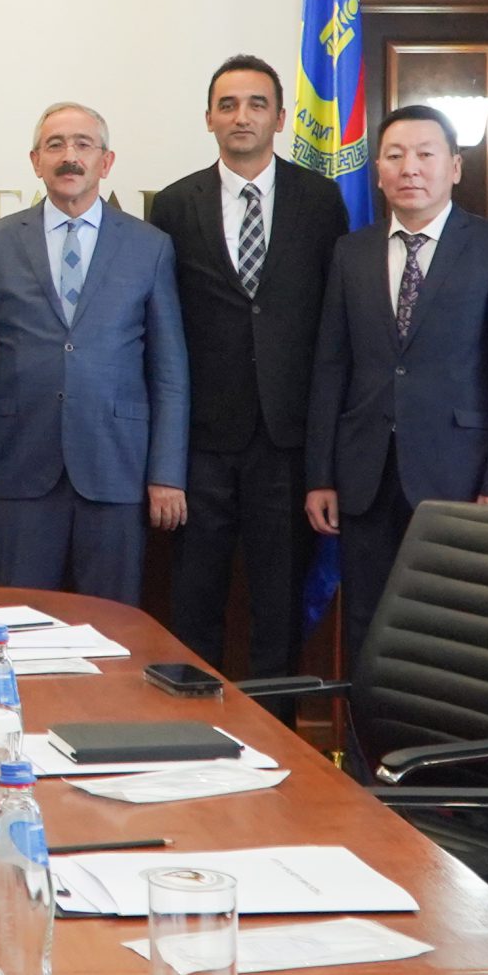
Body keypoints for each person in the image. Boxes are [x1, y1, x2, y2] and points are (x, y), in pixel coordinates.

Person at [306, 104, 488, 669]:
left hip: (460, 478)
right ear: (378, 171)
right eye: (394, 156)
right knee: (367, 630)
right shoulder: (351, 252)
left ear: (454, 167)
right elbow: (331, 367)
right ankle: (367, 734)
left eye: (425, 154)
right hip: (365, 477)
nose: (409, 167)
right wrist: (321, 475)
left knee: (450, 634)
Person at [149, 55, 350, 687]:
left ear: (280, 118)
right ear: (209, 118)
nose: (242, 116)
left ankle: (276, 733)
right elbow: (162, 327)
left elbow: (335, 326)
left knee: (278, 612)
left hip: (287, 445)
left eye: (257, 104)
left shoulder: (321, 201)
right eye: (228, 104)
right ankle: (187, 732)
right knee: (194, 606)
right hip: (202, 445)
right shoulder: (174, 205)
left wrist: (324, 458)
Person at [0, 102, 190, 603]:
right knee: (17, 622)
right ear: (35, 161)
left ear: (106, 162)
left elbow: (169, 372)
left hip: (117, 469)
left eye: (84, 144)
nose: (70, 156)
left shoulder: (149, 246)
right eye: (55, 145)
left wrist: (166, 473)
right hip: (20, 468)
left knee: (112, 624)